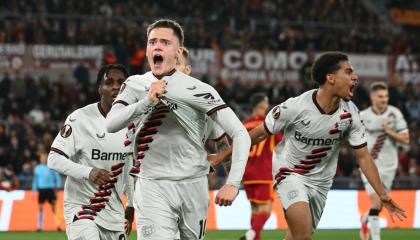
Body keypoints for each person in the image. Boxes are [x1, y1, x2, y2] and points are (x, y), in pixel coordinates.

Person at [213, 52, 406, 240]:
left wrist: (382, 194)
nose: (355, 77)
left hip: (322, 182)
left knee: (296, 236)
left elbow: (363, 156)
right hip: (289, 174)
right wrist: (223, 155)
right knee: (304, 236)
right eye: (348, 72)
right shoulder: (295, 107)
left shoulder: (351, 114)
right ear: (330, 78)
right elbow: (258, 133)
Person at [106, 19, 251, 240]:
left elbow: (240, 133)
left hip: (193, 186)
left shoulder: (201, 90)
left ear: (178, 51)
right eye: (152, 42)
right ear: (146, 50)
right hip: (151, 186)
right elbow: (111, 123)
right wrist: (147, 101)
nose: (157, 47)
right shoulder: (134, 84)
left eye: (165, 42)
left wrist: (232, 183)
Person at [48, 64, 135, 240]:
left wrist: (131, 204)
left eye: (121, 83)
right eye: (109, 82)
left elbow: (127, 166)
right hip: (81, 208)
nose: (116, 87)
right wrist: (89, 172)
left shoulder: (132, 123)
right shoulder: (80, 119)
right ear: (100, 89)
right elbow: (54, 159)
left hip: (114, 211)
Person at [359, 82, 409, 240]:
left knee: (379, 205)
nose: (384, 99)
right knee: (375, 203)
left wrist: (389, 131)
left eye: (386, 96)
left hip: (389, 167)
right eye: (380, 96)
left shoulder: (395, 114)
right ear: (372, 97)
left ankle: (365, 218)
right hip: (370, 166)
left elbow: (406, 139)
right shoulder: (362, 116)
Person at [239, 93, 283, 240]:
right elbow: (281, 145)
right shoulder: (268, 124)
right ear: (262, 105)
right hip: (263, 173)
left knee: (255, 210)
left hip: (247, 174)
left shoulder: (243, 124)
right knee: (266, 210)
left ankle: (253, 236)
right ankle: (251, 234)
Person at [33, 153, 63, 231]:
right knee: (40, 208)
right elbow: (35, 179)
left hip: (50, 189)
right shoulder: (37, 168)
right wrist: (34, 189)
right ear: (40, 159)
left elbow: (57, 178)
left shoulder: (52, 167)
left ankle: (58, 226)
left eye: (45, 157)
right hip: (41, 190)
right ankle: (39, 227)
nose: (43, 159)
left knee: (54, 208)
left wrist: (58, 188)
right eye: (42, 158)